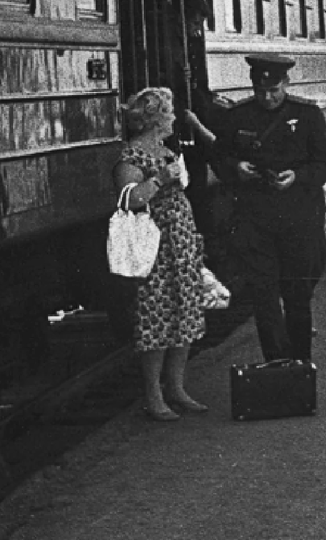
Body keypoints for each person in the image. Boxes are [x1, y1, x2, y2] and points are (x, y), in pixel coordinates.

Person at [217, 54, 326, 362]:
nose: (267, 97)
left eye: (273, 90)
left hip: (299, 219)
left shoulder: (307, 115)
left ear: (286, 83)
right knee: (264, 297)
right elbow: (218, 158)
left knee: (298, 296)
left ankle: (300, 363)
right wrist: (236, 167)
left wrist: (298, 176)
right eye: (260, 90)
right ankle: (276, 362)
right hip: (255, 220)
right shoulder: (237, 116)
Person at [112, 88, 207, 422]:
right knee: (156, 317)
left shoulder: (168, 150)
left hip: (180, 242)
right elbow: (129, 199)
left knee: (184, 314)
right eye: (168, 113)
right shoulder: (132, 156)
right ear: (154, 118)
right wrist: (159, 180)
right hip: (155, 246)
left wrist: (193, 235)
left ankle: (177, 388)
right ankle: (154, 394)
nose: (172, 118)